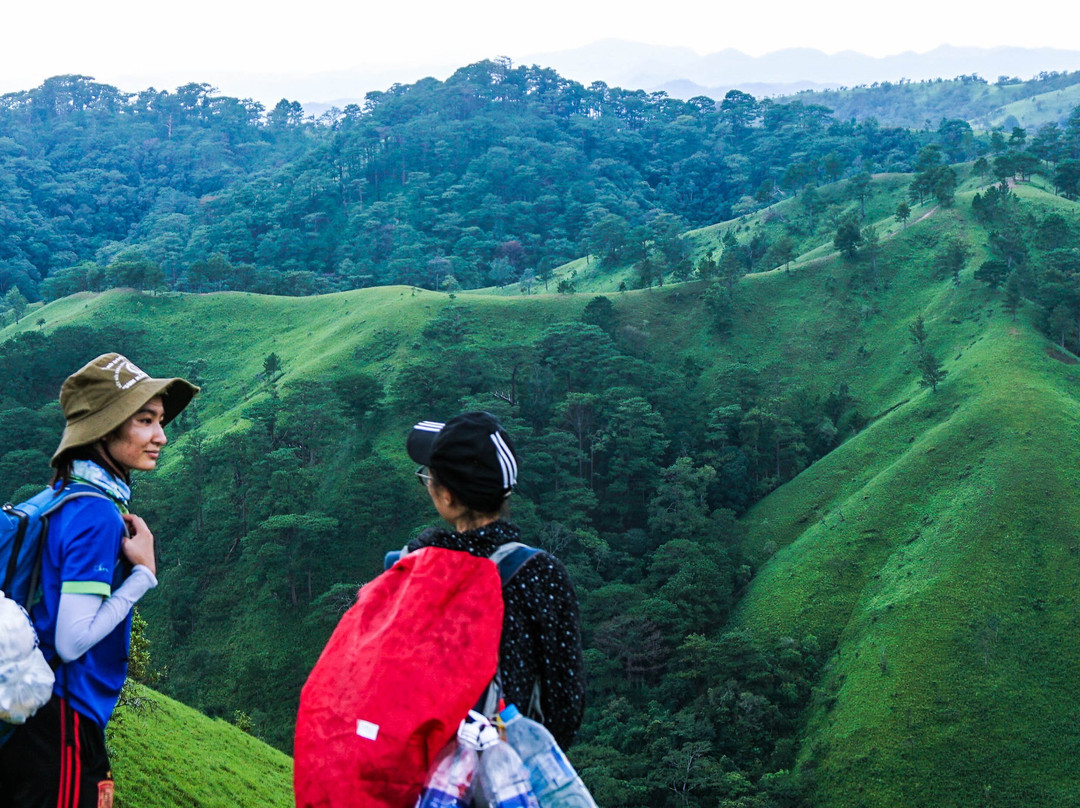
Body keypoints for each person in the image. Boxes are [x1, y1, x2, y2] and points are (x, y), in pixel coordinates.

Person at [0, 353, 198, 808]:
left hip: (35, 716)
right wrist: (143, 576)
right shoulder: (96, 514)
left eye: (160, 420)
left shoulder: (61, 493)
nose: (161, 437)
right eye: (145, 420)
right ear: (105, 429)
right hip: (63, 716)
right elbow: (73, 640)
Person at [405, 411, 586, 750]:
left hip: (420, 773)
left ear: (447, 497)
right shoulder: (541, 575)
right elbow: (565, 706)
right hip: (506, 776)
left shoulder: (412, 565)